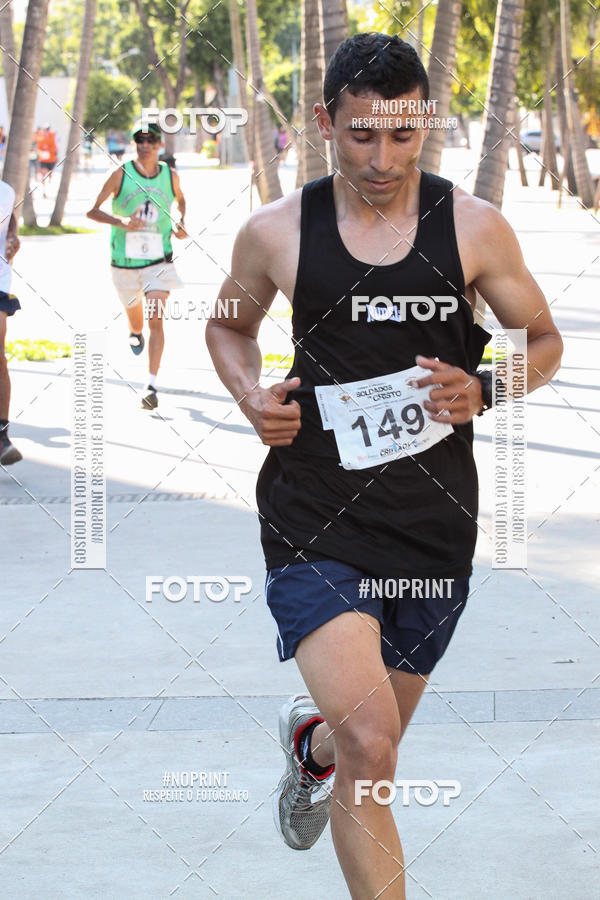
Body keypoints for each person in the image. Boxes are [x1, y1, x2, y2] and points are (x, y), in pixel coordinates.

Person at [206, 33, 564, 898]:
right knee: (373, 746)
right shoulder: (277, 231)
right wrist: (252, 394)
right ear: (326, 122)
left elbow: (543, 342)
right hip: (311, 515)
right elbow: (227, 324)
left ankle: (311, 747)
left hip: (433, 528)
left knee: (366, 745)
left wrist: (486, 386)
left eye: (402, 136)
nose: (382, 157)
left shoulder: (475, 228)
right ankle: (335, 748)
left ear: (425, 124)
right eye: (362, 135)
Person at [86, 121, 187, 409]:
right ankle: (133, 331)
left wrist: (181, 223)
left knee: (157, 319)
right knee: (136, 317)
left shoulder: (171, 175)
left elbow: (181, 202)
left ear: (159, 145)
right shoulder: (121, 174)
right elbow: (92, 211)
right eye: (139, 141)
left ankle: (151, 385)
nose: (144, 146)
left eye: (150, 141)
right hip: (124, 262)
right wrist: (121, 223)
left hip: (159, 260)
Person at [0, 179, 22, 465]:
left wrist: (13, 236)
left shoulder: (6, 192)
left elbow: (10, 215)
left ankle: (2, 437)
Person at [36, 124, 58, 196]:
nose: (46, 131)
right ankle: (44, 189)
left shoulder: (53, 137)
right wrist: (42, 152)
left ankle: (48, 185)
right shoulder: (41, 138)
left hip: (51, 160)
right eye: (45, 130)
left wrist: (48, 148)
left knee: (49, 174)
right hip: (43, 159)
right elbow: (38, 149)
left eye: (47, 129)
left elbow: (55, 149)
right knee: (43, 173)